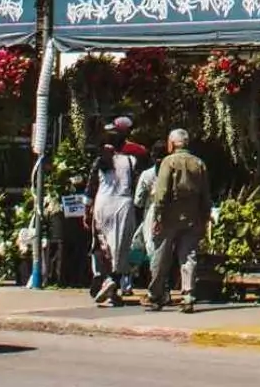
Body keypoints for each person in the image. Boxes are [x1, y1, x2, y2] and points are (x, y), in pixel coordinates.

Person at [147, 129, 212, 315]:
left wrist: (158, 216)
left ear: (172, 143)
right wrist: (205, 215)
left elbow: (161, 193)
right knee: (188, 255)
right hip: (192, 215)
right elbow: (206, 193)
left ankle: (155, 295)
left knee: (161, 255)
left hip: (169, 215)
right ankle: (188, 295)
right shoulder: (199, 163)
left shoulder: (169, 162)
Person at [86, 129, 138, 306]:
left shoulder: (100, 161)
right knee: (121, 248)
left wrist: (87, 212)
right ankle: (112, 280)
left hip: (102, 205)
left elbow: (91, 188)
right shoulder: (131, 161)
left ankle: (109, 289)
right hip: (123, 205)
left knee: (103, 247)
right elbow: (135, 185)